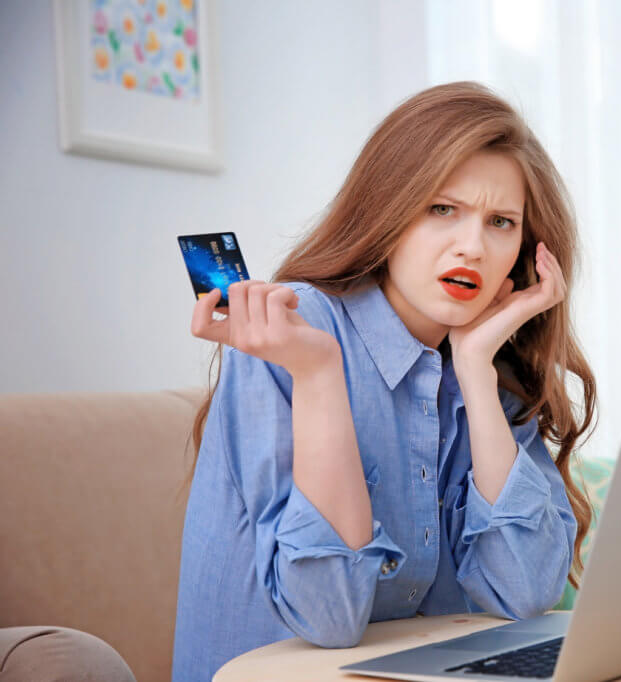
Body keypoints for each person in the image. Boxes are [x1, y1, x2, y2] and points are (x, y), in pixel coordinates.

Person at [171, 81, 598, 682]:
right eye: (442, 209)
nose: (471, 246)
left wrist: (475, 372)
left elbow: (526, 591)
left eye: (500, 222)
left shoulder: (489, 358)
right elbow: (329, 615)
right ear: (389, 211)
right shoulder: (291, 333)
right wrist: (319, 375)